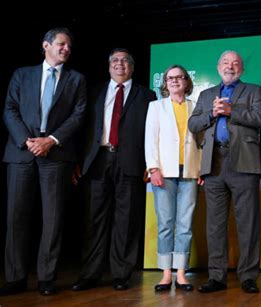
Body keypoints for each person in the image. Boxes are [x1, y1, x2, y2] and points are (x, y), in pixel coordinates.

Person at [1, 27, 87, 296]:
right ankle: (15, 277)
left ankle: (47, 278)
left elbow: (79, 114)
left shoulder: (76, 79)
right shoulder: (22, 74)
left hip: (56, 154)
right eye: (61, 44)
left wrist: (50, 140)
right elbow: (10, 109)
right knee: (16, 217)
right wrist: (28, 140)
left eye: (69, 46)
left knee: (53, 219)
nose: (66, 49)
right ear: (46, 45)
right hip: (21, 152)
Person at [71, 48, 156, 291]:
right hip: (97, 161)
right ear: (109, 66)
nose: (120, 64)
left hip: (131, 162)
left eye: (126, 61)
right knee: (93, 219)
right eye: (115, 61)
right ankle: (90, 274)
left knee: (126, 220)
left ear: (132, 67)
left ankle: (121, 274)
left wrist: (150, 164)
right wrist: (77, 160)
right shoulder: (93, 92)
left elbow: (151, 133)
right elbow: (82, 128)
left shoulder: (147, 95)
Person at [188, 50, 261, 293]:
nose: (229, 66)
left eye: (234, 63)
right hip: (214, 163)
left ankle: (248, 276)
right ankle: (216, 277)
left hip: (243, 161)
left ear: (241, 68)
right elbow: (193, 124)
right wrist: (212, 113)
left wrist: (233, 111)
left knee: (248, 223)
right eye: (225, 62)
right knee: (214, 224)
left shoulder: (254, 90)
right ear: (218, 67)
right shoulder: (206, 94)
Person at [145, 65, 201, 292]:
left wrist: (201, 171)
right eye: (170, 78)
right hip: (164, 173)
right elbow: (151, 140)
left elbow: (202, 143)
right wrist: (153, 169)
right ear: (165, 83)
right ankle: (166, 274)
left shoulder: (196, 107)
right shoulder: (156, 107)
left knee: (185, 225)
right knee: (166, 224)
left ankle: (181, 273)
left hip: (190, 172)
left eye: (180, 77)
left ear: (187, 82)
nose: (175, 81)